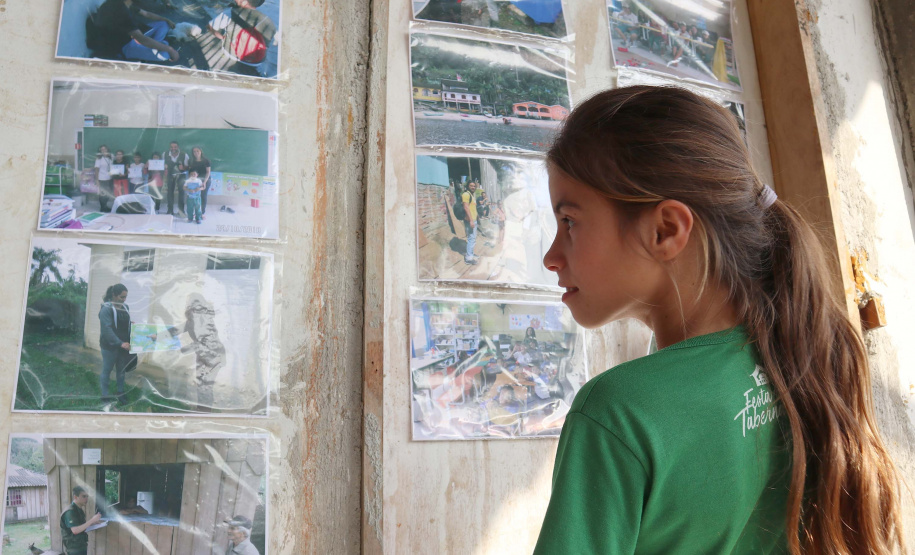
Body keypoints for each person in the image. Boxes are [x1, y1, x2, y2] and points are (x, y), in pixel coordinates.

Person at [533, 86, 903, 553]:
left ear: (666, 229)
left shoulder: (618, 413)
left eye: (569, 222)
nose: (551, 257)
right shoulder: (807, 353)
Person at [89, 0, 178, 63]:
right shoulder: (121, 11)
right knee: (165, 54)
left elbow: (146, 14)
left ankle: (155, 46)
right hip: (123, 46)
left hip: (130, 36)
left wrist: (165, 19)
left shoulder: (122, 3)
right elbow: (140, 39)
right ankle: (155, 47)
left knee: (164, 24)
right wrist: (170, 49)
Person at [185, 294, 227, 411]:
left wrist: (187, 348)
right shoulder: (190, 322)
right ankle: (201, 409)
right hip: (202, 355)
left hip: (214, 355)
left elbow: (205, 340)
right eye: (193, 305)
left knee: (206, 385)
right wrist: (156, 336)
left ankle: (205, 411)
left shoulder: (207, 318)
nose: (196, 308)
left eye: (199, 305)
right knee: (200, 384)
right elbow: (174, 331)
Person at [99, 284, 132, 404]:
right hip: (110, 346)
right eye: (122, 297)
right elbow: (107, 330)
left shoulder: (126, 307)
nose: (124, 299)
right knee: (107, 370)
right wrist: (120, 343)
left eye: (125, 297)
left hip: (123, 346)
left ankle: (120, 392)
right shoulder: (106, 309)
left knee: (121, 371)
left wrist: (131, 325)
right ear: (114, 295)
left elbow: (123, 323)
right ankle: (105, 395)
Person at [60, 486, 102, 555]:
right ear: (75, 497)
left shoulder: (78, 509)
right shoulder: (70, 511)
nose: (86, 499)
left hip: (80, 545)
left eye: (87, 496)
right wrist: (92, 520)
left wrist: (93, 523)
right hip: (74, 548)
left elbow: (80, 526)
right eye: (84, 496)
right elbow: (75, 530)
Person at [164, 141, 189, 217]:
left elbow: (188, 167)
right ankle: (170, 210)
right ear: (169, 147)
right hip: (170, 175)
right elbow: (160, 164)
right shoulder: (165, 154)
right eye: (171, 147)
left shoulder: (184, 155)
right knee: (170, 192)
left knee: (182, 192)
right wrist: (164, 166)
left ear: (178, 147)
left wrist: (183, 167)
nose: (173, 148)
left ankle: (181, 211)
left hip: (181, 175)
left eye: (175, 147)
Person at [189, 146, 213, 218]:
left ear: (201, 151)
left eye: (197, 151)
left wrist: (204, 182)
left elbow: (208, 172)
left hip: (205, 180)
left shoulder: (206, 161)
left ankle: (202, 213)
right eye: (194, 151)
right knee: (195, 197)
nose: (196, 153)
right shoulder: (191, 161)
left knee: (203, 196)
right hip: (195, 181)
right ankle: (196, 212)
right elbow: (190, 172)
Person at [462, 181, 480, 265]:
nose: (473, 187)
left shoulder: (472, 195)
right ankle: (468, 258)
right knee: (471, 239)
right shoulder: (466, 194)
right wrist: (471, 220)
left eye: (474, 186)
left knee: (473, 238)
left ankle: (471, 254)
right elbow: (466, 207)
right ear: (468, 186)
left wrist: (477, 217)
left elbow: (472, 208)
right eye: (471, 186)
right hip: (470, 220)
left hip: (474, 219)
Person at [93, 145, 114, 212]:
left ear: (107, 149)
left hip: (110, 178)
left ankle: (105, 206)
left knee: (108, 193)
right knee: (103, 194)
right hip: (102, 178)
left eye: (105, 149)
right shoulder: (99, 159)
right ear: (100, 151)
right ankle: (103, 208)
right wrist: (97, 180)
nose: (103, 151)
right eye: (102, 150)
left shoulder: (111, 156)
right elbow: (96, 169)